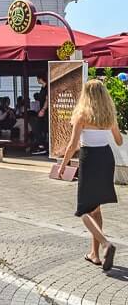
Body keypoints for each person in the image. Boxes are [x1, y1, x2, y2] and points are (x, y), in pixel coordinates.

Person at [58, 79, 122, 271]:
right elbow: (119, 141)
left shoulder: (82, 115)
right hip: (105, 157)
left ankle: (105, 244)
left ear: (86, 95)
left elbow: (72, 145)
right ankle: (94, 254)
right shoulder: (108, 115)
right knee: (96, 209)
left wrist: (62, 166)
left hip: (89, 158)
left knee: (83, 210)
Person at [32, 74, 49, 155]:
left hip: (45, 112)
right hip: (42, 111)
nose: (37, 80)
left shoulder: (47, 88)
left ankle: (43, 146)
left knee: (38, 127)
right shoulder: (42, 87)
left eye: (37, 78)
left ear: (41, 78)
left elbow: (47, 99)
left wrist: (43, 109)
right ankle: (42, 145)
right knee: (39, 127)